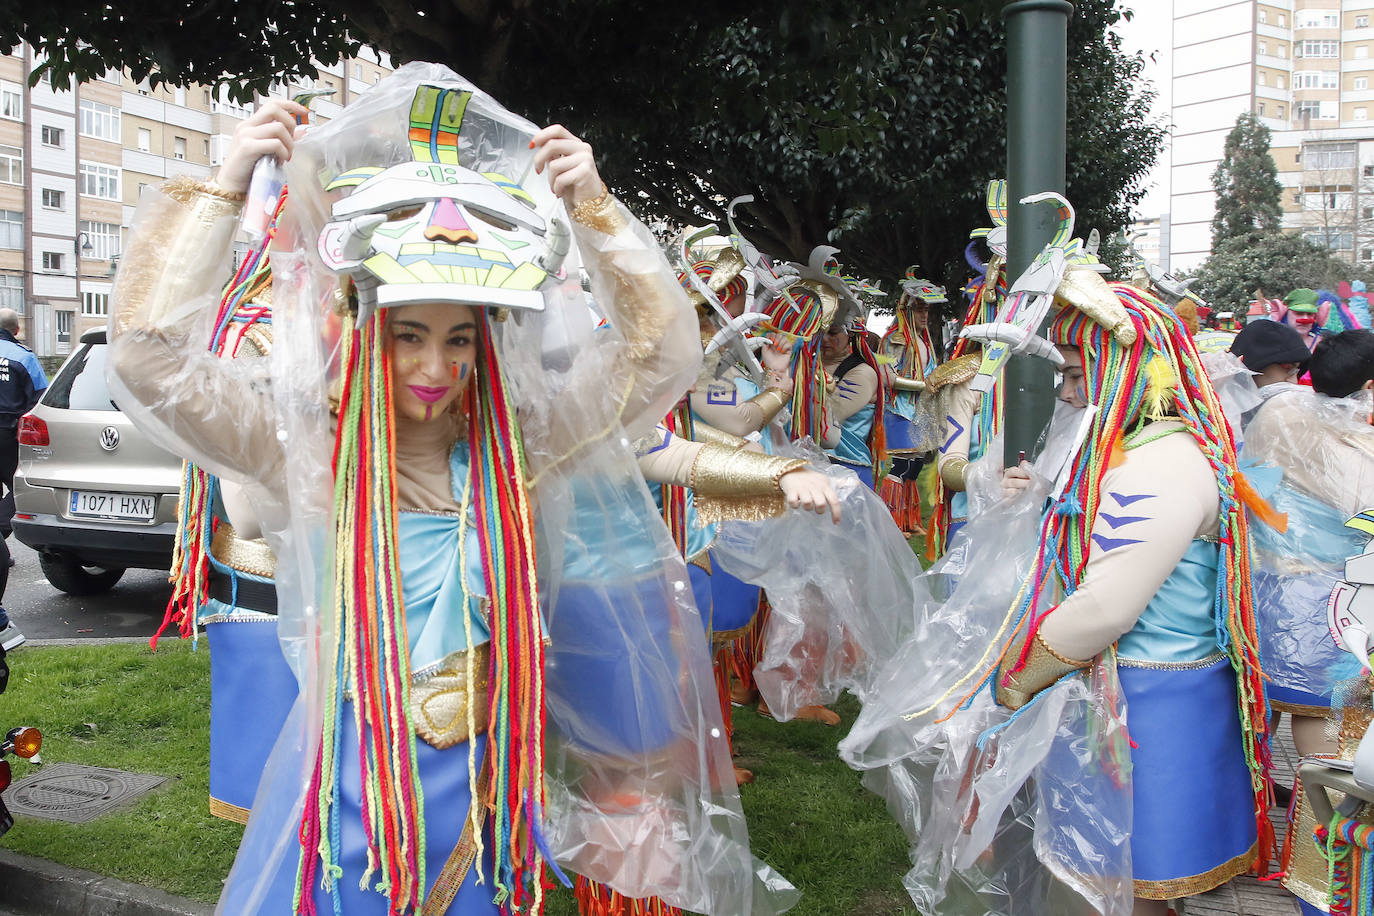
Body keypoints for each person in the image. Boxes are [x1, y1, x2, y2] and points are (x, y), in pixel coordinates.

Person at [108, 65, 791, 916]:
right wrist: (224, 184)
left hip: (486, 813)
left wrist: (595, 207)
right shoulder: (311, 457)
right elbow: (144, 355)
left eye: (460, 340)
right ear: (363, 329)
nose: (437, 369)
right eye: (411, 337)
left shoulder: (522, 458)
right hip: (349, 813)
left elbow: (661, 356)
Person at [842, 278, 1274, 916]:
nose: (1068, 391)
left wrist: (1010, 683)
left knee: (1127, 890)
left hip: (1147, 708)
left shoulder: (1157, 464)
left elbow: (1105, 608)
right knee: (1107, 882)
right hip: (1125, 697)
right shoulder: (1137, 449)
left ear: (1132, 368)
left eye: (1077, 373)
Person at [0, 307, 45, 648]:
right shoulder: (22, 357)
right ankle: (2, 530)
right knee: (17, 488)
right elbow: (38, 400)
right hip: (8, 434)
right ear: (17, 328)